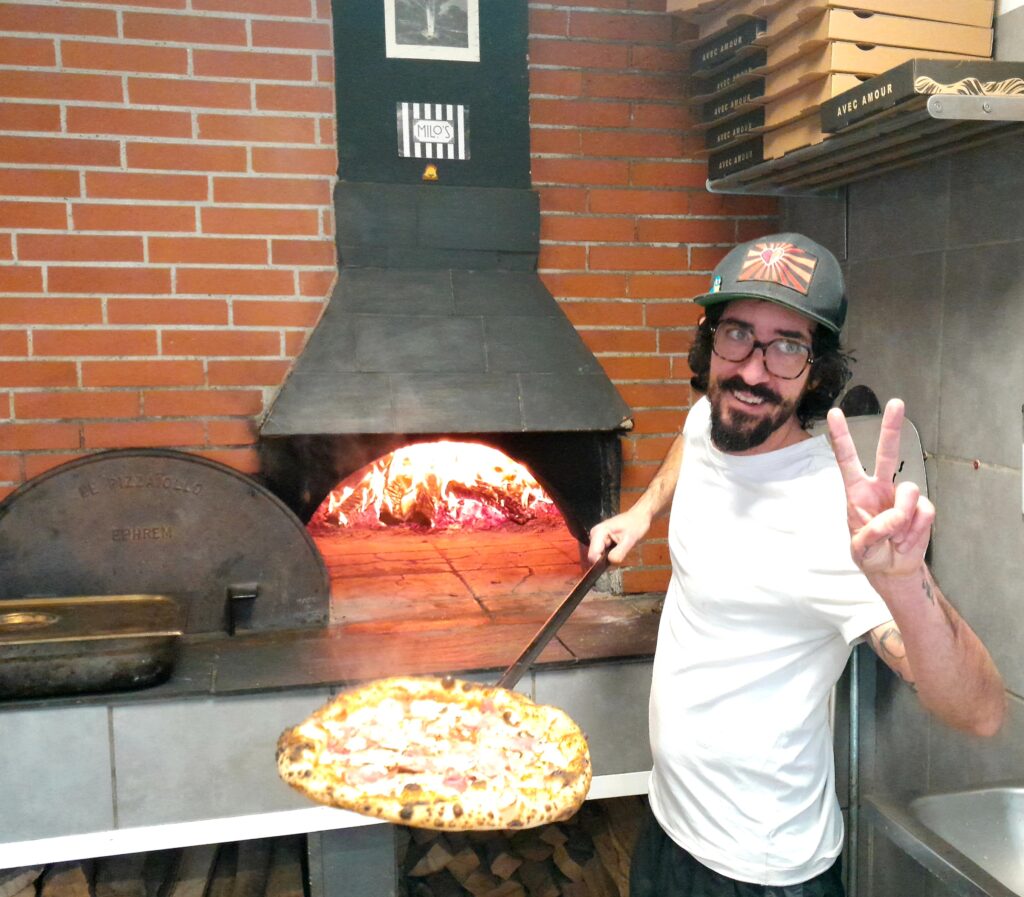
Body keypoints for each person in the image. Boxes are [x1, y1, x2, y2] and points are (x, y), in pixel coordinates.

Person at [587, 233, 1005, 897]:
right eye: (738, 335)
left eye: (787, 347)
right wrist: (642, 512)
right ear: (711, 342)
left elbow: (979, 712)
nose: (753, 371)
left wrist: (906, 584)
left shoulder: (830, 513)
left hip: (763, 872)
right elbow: (688, 447)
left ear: (818, 370)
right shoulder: (712, 419)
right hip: (667, 824)